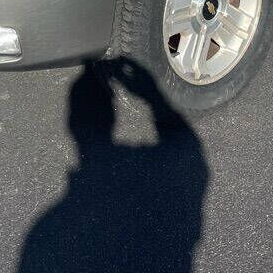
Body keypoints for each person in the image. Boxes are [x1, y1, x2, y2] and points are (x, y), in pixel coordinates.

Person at [18, 59, 209, 273]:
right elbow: (194, 159)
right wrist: (154, 98)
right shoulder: (46, 230)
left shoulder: (46, 233)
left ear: (72, 125)